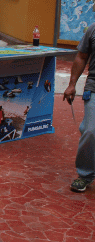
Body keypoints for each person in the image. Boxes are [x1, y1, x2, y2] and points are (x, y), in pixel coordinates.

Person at [64, 23, 95, 192]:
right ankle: (85, 174)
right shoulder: (93, 30)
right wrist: (71, 84)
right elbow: (82, 57)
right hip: (94, 87)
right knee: (91, 131)